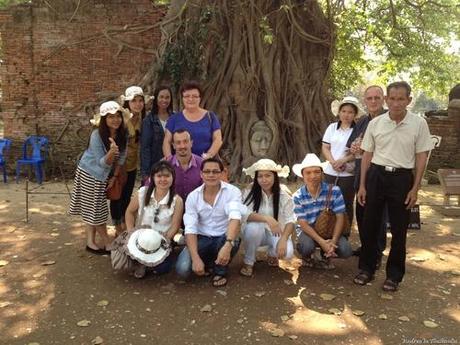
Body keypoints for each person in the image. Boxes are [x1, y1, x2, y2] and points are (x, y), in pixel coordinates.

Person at [354, 81, 432, 292]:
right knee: (370, 224)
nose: (396, 103)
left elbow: (421, 156)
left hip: (401, 178)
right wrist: (362, 185)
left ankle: (394, 276)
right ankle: (366, 269)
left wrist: (415, 188)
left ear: (409, 100)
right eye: (393, 98)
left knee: (399, 229)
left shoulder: (418, 124)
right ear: (386, 100)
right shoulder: (376, 123)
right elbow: (367, 155)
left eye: (401, 99)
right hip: (376, 176)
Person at [69, 101, 127, 255]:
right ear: (104, 119)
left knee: (92, 209)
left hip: (104, 176)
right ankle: (107, 243)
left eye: (118, 116)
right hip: (89, 173)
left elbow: (121, 158)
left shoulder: (122, 134)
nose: (115, 120)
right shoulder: (96, 135)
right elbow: (102, 162)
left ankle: (90, 242)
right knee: (97, 210)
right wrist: (111, 152)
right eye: (110, 117)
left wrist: (114, 177)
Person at [175, 157, 243, 287]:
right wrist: (195, 258)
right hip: (202, 238)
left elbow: (235, 218)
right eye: (207, 172)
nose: (211, 175)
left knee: (233, 240)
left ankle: (220, 271)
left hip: (224, 237)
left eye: (215, 171)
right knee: (182, 270)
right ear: (201, 174)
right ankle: (209, 261)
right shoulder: (193, 196)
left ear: (222, 173)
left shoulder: (233, 192)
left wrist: (228, 244)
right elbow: (190, 228)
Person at [115, 160, 184, 278]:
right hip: (139, 238)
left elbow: (175, 226)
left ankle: (150, 262)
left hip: (161, 240)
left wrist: (164, 241)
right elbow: (129, 212)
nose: (163, 179)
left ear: (173, 178)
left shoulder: (177, 200)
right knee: (122, 262)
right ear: (152, 178)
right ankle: (141, 262)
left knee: (162, 268)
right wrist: (131, 233)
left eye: (167, 176)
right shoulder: (142, 192)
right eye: (159, 176)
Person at [346, 86, 388, 263]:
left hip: (379, 174)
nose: (373, 101)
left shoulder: (388, 119)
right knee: (362, 214)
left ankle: (376, 252)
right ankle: (366, 247)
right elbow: (353, 144)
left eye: (376, 98)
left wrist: (364, 147)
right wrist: (356, 147)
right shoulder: (363, 121)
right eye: (369, 98)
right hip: (361, 173)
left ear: (383, 99)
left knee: (377, 216)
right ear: (365, 100)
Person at [292, 154, 352, 269]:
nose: (313, 176)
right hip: (309, 232)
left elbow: (340, 217)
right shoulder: (297, 196)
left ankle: (326, 255)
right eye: (308, 173)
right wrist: (322, 242)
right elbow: (303, 223)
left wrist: (333, 241)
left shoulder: (334, 191)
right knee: (306, 246)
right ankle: (308, 256)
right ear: (302, 176)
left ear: (322, 173)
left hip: (329, 230)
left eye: (316, 172)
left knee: (346, 250)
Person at [239, 159, 294, 277]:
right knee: (254, 227)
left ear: (275, 176)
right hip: (255, 233)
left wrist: (284, 239)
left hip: (277, 233)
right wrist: (268, 219)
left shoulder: (284, 194)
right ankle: (249, 261)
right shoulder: (250, 192)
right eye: (260, 176)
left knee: (288, 253)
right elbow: (244, 215)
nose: (264, 180)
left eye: (268, 175)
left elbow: (290, 220)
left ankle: (272, 253)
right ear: (256, 178)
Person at [110, 86, 151, 234]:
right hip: (118, 165)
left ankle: (125, 224)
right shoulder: (121, 120)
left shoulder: (143, 120)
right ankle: (117, 227)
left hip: (132, 165)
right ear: (127, 102)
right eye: (134, 101)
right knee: (116, 196)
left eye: (140, 101)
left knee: (127, 195)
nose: (138, 104)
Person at [322, 96, 364, 234]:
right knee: (328, 203)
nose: (346, 115)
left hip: (348, 174)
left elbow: (359, 152)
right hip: (330, 171)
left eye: (350, 112)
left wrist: (343, 161)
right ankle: (327, 232)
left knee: (346, 204)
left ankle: (344, 234)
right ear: (339, 112)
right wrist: (333, 162)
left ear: (355, 114)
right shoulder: (332, 128)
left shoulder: (358, 130)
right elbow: (325, 148)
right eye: (344, 111)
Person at [163, 81, 222, 159]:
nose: (190, 99)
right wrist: (170, 159)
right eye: (187, 96)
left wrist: (208, 156)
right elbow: (167, 141)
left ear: (200, 98)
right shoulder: (174, 119)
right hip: (180, 165)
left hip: (205, 165)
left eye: (194, 96)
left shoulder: (210, 117)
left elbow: (218, 139)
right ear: (182, 98)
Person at [141, 85, 173, 184]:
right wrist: (146, 173)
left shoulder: (175, 118)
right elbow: (145, 148)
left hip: (172, 165)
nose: (164, 100)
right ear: (156, 98)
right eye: (161, 97)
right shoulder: (148, 120)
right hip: (155, 165)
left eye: (167, 97)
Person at [166, 129, 203, 202]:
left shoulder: (203, 164)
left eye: (185, 141)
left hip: (196, 209)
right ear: (173, 145)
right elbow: (149, 186)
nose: (182, 146)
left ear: (191, 143)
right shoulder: (166, 165)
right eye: (178, 142)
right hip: (172, 209)